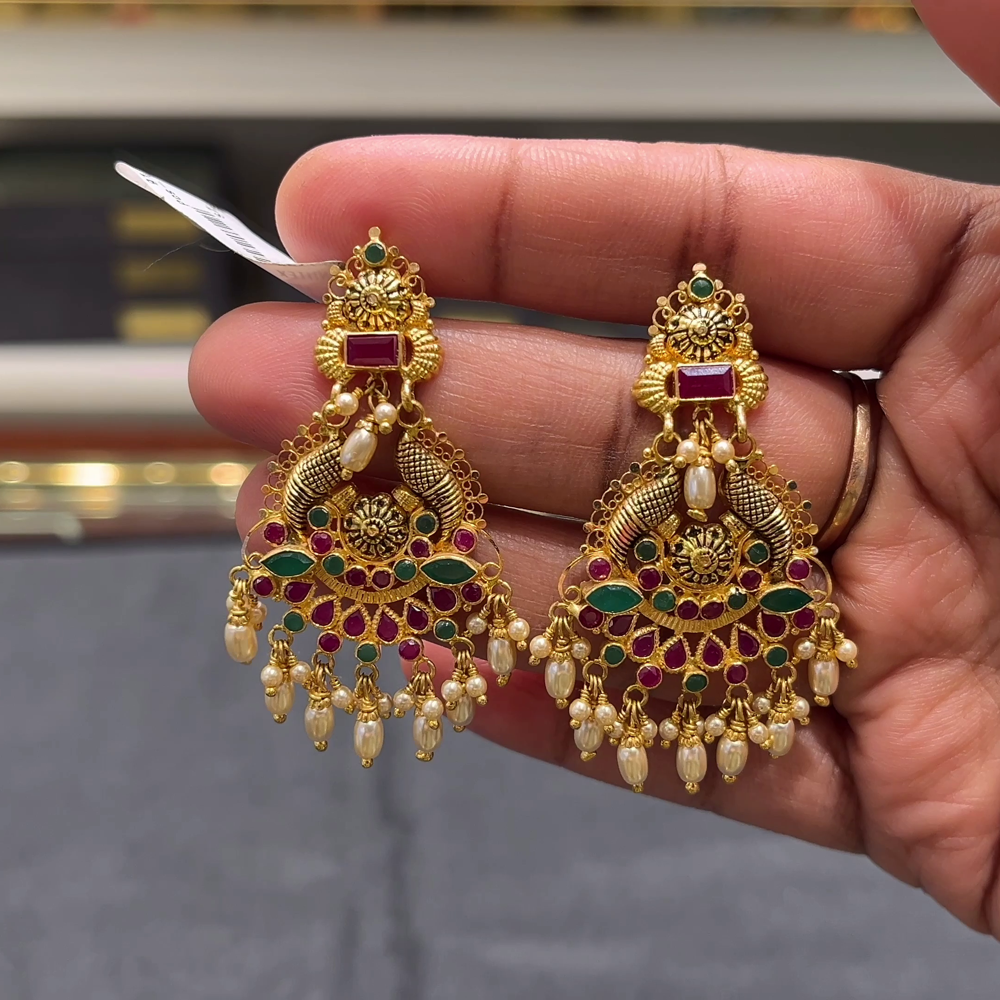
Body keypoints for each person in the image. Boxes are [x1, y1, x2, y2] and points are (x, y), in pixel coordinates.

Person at [190, 0, 1000, 940]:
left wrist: (706, 444)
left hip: (712, 523)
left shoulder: (714, 392)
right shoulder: (387, 381)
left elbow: (705, 401)